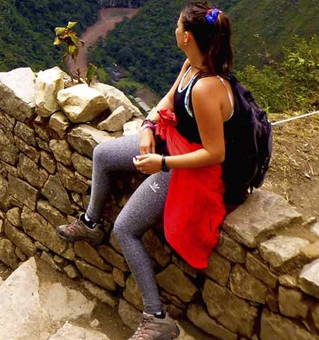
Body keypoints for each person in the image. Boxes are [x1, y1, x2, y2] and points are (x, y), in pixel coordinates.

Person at [55, 2, 236, 340]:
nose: (174, 29)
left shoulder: (207, 88)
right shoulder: (191, 67)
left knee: (124, 229)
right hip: (169, 143)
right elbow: (165, 103)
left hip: (187, 167)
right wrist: (146, 128)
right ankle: (92, 223)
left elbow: (215, 153)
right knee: (102, 153)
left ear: (188, 37)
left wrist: (162, 165)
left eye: (179, 26)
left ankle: (156, 317)